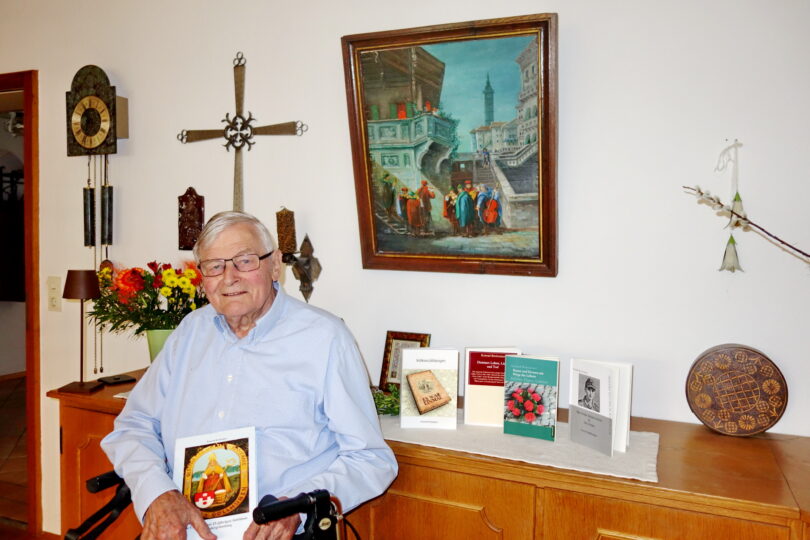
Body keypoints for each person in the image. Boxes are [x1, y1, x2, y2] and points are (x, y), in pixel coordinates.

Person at [101, 211, 398, 540]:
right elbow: (134, 426)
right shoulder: (189, 333)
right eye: (215, 266)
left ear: (275, 265)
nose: (229, 278)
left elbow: (370, 459)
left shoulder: (325, 338)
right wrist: (158, 493)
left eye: (244, 261)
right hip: (183, 531)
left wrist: (298, 507)